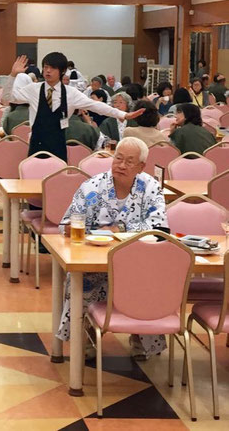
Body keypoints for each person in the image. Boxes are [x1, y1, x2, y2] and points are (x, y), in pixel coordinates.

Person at [57, 137, 168, 360]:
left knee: (149, 279)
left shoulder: (150, 187)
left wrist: (122, 227)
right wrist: (72, 228)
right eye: (118, 158)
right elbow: (67, 222)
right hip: (94, 260)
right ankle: (84, 332)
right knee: (80, 278)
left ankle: (140, 333)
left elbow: (160, 227)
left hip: (139, 261)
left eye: (129, 161)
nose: (121, 165)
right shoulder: (93, 186)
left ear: (141, 167)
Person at [5, 54, 143, 162]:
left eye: (52, 68)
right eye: (45, 67)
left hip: (59, 145)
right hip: (36, 145)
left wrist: (123, 115)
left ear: (62, 71)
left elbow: (96, 106)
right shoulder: (33, 89)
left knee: (56, 186)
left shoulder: (71, 93)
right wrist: (12, 75)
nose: (47, 71)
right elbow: (7, 97)